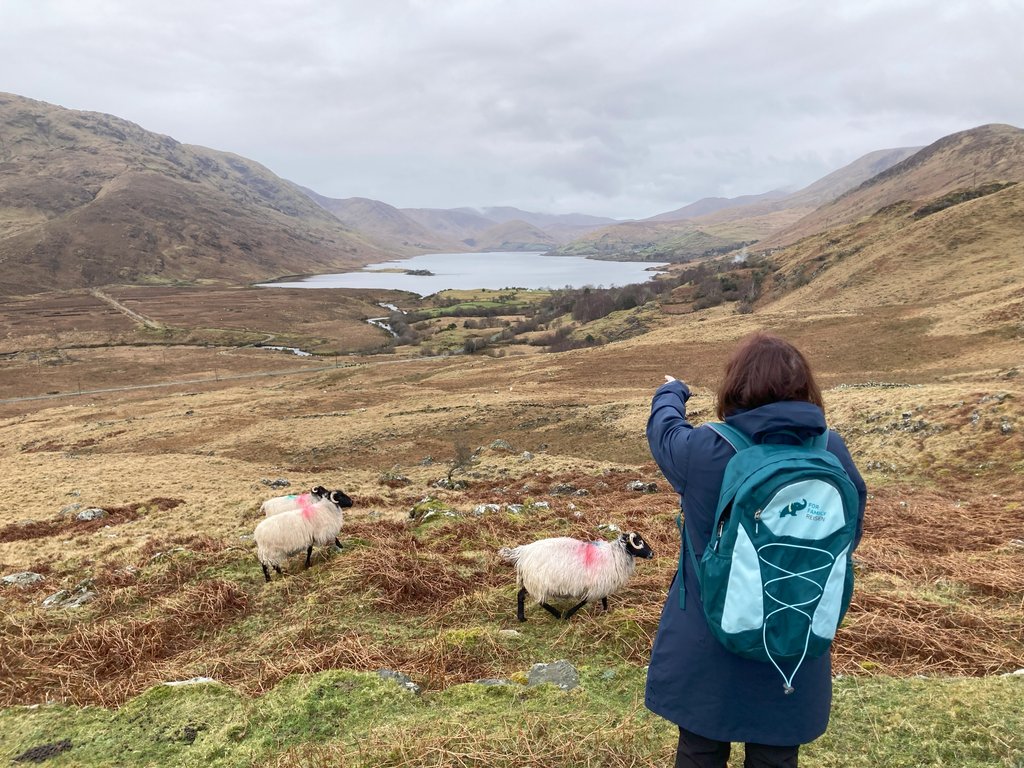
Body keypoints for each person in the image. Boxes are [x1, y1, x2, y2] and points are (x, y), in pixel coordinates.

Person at [644, 331, 867, 768]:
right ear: (805, 388)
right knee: (776, 755)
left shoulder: (706, 449)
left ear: (736, 385)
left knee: (700, 753)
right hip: (794, 640)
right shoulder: (832, 451)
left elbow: (663, 430)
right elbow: (848, 535)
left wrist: (672, 390)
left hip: (707, 645)